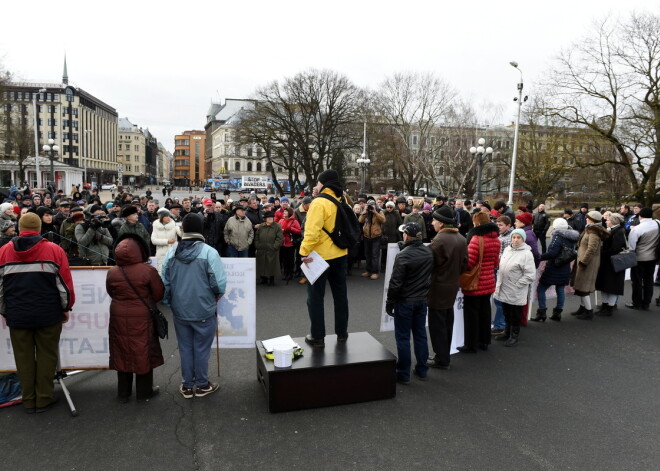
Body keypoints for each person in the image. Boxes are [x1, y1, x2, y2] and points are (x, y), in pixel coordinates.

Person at [0, 212, 75, 413]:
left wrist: (5, 312)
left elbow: (0, 288)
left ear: (19, 228)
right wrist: (65, 308)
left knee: (23, 358)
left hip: (17, 314)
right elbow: (65, 286)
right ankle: (43, 398)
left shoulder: (4, 251)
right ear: (39, 228)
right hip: (48, 313)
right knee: (47, 356)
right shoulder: (54, 250)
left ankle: (28, 399)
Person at [162, 214, 227, 398]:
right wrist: (216, 297)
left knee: (185, 347)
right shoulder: (209, 252)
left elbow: (165, 281)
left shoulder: (171, 252)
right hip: (203, 309)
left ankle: (187, 384)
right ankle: (201, 384)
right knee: (201, 348)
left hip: (180, 310)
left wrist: (169, 301)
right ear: (200, 230)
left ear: (183, 229)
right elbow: (219, 284)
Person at [106, 234, 165, 403]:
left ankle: (123, 393)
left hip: (117, 315)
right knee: (142, 349)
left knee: (121, 350)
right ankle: (144, 391)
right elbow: (158, 294)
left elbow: (110, 292)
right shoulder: (148, 271)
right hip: (142, 316)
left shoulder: (112, 272)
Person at [299, 169, 349, 347]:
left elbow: (312, 233)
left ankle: (317, 335)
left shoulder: (319, 203)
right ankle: (342, 333)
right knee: (340, 295)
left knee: (315, 297)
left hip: (320, 257)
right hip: (340, 254)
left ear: (323, 183)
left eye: (318, 183)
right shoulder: (340, 198)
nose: (316, 186)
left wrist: (304, 252)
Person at [385, 222, 433, 384]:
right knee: (420, 335)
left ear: (408, 235)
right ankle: (422, 370)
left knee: (403, 338)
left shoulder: (403, 255)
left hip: (405, 301)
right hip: (421, 299)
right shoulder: (428, 252)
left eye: (404, 233)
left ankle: (403, 373)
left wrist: (389, 302)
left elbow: (395, 283)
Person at [426, 206, 467, 370]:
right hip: (452, 285)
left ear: (441, 223)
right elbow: (465, 264)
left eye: (434, 220)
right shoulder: (461, 238)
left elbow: (429, 264)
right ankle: (444, 356)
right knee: (447, 322)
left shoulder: (440, 240)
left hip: (438, 287)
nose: (432, 223)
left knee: (437, 325)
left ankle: (441, 358)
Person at [459, 211, 500, 353]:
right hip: (489, 281)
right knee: (485, 311)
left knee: (471, 314)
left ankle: (471, 344)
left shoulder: (476, 239)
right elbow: (496, 262)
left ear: (477, 222)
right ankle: (484, 341)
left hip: (475, 283)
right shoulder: (496, 239)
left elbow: (469, 263)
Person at [493, 229, 536, 346]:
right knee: (506, 312)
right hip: (504, 287)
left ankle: (514, 336)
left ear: (523, 239)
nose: (516, 240)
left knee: (515, 315)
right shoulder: (507, 249)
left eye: (519, 238)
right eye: (514, 237)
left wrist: (517, 284)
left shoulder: (527, 254)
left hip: (516, 290)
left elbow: (530, 274)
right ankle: (506, 332)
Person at [532, 218, 579, 322]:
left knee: (541, 289)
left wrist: (539, 257)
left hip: (554, 267)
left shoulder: (558, 236)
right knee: (560, 289)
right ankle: (558, 313)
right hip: (565, 266)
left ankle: (541, 312)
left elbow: (552, 253)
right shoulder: (572, 236)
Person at [570, 211, 609, 320]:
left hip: (587, 263)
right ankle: (582, 308)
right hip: (583, 262)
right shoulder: (589, 229)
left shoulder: (594, 232)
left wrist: (584, 261)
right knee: (580, 286)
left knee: (584, 287)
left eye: (588, 218)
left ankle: (588, 311)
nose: (586, 219)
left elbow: (592, 249)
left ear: (593, 220)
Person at [626, 207, 659, 310]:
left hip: (639, 258)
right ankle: (646, 303)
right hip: (653, 256)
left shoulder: (637, 229)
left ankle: (637, 303)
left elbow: (632, 247)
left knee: (637, 281)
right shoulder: (657, 223)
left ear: (640, 216)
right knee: (649, 281)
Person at [594, 213, 626, 316]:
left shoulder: (618, 232)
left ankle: (609, 308)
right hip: (607, 263)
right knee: (605, 285)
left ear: (613, 222)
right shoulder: (612, 230)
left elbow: (615, 249)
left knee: (611, 286)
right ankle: (605, 306)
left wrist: (602, 252)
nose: (606, 221)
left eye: (608, 220)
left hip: (613, 263)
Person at [358, 199, 385, 280]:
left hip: (376, 236)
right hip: (366, 236)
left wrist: (375, 212)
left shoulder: (379, 211)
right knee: (367, 254)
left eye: (372, 205)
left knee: (375, 255)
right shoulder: (366, 212)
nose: (371, 207)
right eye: (369, 205)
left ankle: (375, 272)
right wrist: (364, 212)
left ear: (375, 205)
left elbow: (383, 220)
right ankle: (368, 271)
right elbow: (360, 220)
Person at [255, 211, 283, 285]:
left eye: (271, 217)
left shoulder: (277, 226)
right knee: (262, 264)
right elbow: (257, 236)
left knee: (272, 264)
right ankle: (263, 279)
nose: (270, 219)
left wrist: (274, 246)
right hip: (262, 249)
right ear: (265, 219)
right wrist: (257, 245)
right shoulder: (261, 226)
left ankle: (271, 279)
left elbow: (279, 238)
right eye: (268, 217)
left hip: (272, 249)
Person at [151, 208, 181, 274]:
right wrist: (167, 241)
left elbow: (181, 235)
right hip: (161, 254)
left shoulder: (174, 225)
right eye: (166, 216)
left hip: (173, 253)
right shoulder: (156, 226)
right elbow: (153, 240)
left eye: (169, 216)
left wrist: (182, 229)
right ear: (161, 217)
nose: (168, 218)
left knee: (174, 273)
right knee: (161, 274)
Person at [278, 207, 300, 282]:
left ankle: (290, 274)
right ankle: (285, 273)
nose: (284, 213)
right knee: (284, 259)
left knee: (290, 259)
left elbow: (299, 231)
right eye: (283, 212)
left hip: (290, 243)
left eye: (285, 212)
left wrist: (290, 229)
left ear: (289, 213)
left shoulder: (294, 221)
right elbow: (278, 230)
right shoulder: (281, 220)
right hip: (282, 243)